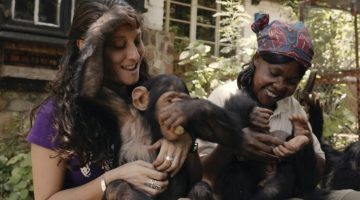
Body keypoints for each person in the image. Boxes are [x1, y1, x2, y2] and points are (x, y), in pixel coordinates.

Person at [27, 1, 192, 199]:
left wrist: (186, 141)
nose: (134, 55)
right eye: (118, 45)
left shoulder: (152, 98)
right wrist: (110, 180)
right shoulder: (55, 115)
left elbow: (194, 178)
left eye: (137, 41)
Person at [198, 13, 360, 200]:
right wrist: (236, 143)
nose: (280, 85)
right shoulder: (225, 96)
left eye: (292, 81)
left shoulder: (291, 107)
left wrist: (303, 143)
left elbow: (313, 178)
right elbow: (203, 174)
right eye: (274, 73)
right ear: (257, 59)